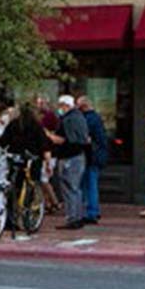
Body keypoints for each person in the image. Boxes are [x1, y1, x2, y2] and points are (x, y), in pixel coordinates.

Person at [57, 95, 92, 229]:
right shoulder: (80, 117)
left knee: (69, 188)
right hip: (78, 156)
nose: (59, 109)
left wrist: (49, 136)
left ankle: (72, 218)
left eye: (61, 106)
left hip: (70, 157)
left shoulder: (69, 119)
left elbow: (67, 140)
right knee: (75, 188)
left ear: (65, 105)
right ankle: (77, 216)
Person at [79, 94, 109, 224]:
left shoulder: (88, 119)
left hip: (91, 156)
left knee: (89, 184)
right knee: (90, 183)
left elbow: (85, 137)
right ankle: (92, 211)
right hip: (96, 155)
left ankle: (91, 212)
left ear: (83, 106)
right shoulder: (95, 118)